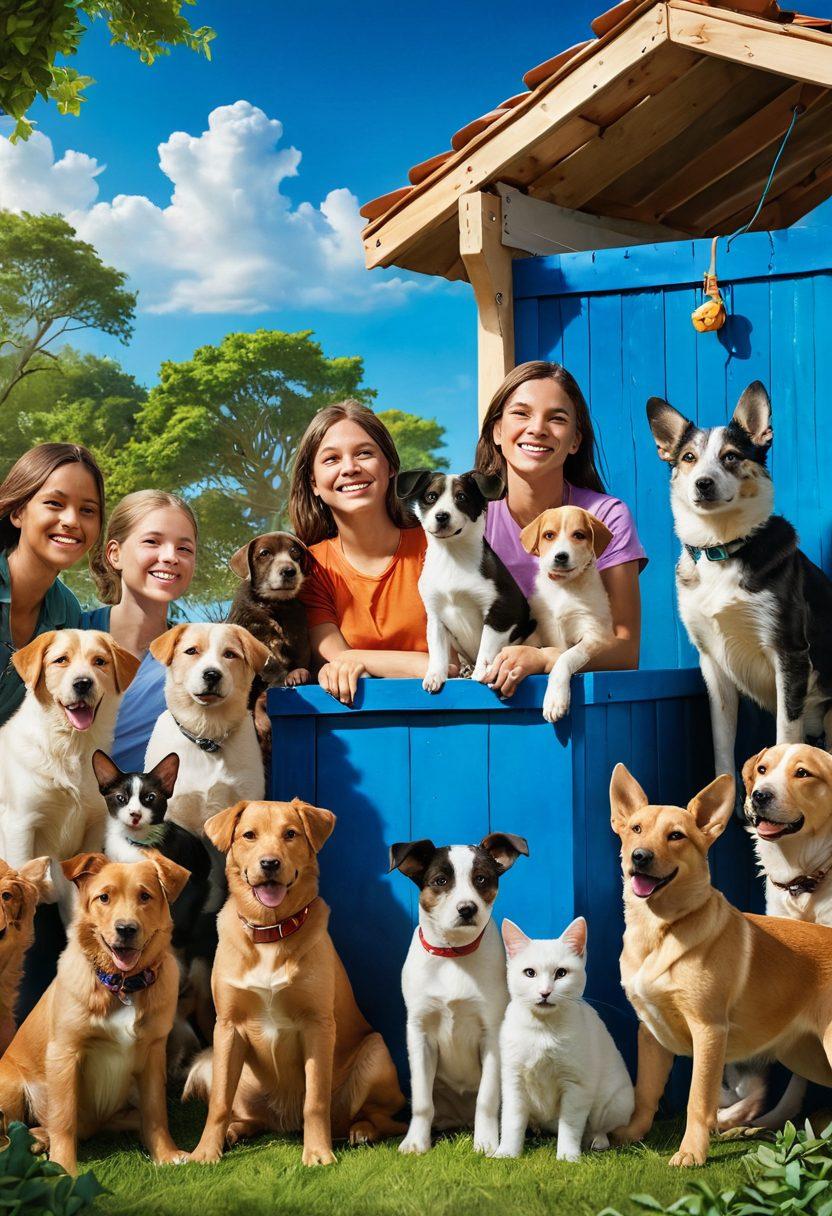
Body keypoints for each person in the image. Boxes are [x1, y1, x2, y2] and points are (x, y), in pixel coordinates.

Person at [476, 362, 646, 697]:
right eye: (521, 414)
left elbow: (625, 650)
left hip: (574, 701)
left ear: (575, 441)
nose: (537, 428)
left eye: (557, 418)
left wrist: (544, 659)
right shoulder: (470, 518)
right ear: (497, 431)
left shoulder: (605, 516)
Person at [289, 399, 433, 705]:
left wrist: (357, 660)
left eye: (364, 453)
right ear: (313, 483)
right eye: (331, 459)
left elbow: (455, 662)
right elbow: (337, 656)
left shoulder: (434, 547)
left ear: (391, 466)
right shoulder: (308, 567)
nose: (350, 468)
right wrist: (422, 663)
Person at [83, 490, 198, 771]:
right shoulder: (70, 633)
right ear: (114, 554)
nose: (170, 556)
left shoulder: (196, 656)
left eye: (184, 548)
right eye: (152, 542)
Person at [0, 443, 104, 729]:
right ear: (18, 512)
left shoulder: (67, 612)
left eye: (87, 510)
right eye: (55, 504)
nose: (71, 521)